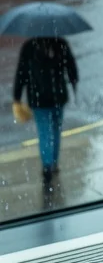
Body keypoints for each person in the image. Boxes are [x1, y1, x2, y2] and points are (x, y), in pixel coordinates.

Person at [13, 37, 78, 184]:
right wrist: (74, 85)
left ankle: (47, 166)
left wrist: (17, 97)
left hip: (38, 98)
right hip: (58, 96)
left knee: (44, 132)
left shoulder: (29, 47)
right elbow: (71, 67)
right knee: (56, 129)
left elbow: (21, 73)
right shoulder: (60, 43)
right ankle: (54, 163)